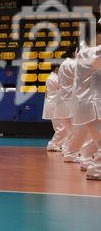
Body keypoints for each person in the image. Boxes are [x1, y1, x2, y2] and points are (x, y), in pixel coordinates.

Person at [71, 23, 101, 180]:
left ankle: (90, 164)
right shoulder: (88, 54)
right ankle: (96, 170)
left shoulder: (87, 52)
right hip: (91, 104)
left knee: (95, 140)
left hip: (91, 103)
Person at [55, 44, 78, 158]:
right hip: (70, 99)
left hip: (63, 99)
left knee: (71, 129)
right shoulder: (74, 64)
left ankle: (67, 150)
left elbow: (59, 82)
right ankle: (70, 153)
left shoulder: (63, 64)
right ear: (75, 53)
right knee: (76, 128)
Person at [42, 64, 64, 152]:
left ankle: (60, 144)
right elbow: (64, 88)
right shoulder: (54, 78)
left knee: (59, 127)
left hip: (53, 104)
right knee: (61, 128)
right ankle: (52, 144)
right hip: (54, 105)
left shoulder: (52, 77)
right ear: (56, 68)